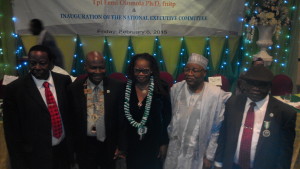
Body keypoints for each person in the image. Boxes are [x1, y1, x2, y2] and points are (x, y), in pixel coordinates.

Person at [3, 45, 72, 169]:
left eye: (42, 63)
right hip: (34, 156)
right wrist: (18, 163)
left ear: (51, 63)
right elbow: (12, 133)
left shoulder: (64, 81)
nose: (37, 67)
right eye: (32, 63)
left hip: (62, 152)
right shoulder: (15, 89)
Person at [214, 65, 296, 169]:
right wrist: (218, 162)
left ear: (270, 87)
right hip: (232, 165)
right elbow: (224, 135)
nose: (255, 89)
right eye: (251, 84)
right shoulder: (232, 103)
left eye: (261, 85)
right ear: (244, 84)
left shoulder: (284, 113)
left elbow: (285, 153)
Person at [164, 53, 231, 169]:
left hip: (197, 153)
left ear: (204, 73)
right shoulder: (176, 89)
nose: (190, 74)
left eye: (195, 70)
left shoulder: (215, 94)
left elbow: (216, 129)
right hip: (175, 149)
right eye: (187, 69)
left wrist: (209, 156)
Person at [68, 51, 127, 169]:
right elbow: (71, 120)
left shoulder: (117, 87)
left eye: (101, 67)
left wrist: (120, 145)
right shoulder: (74, 88)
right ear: (85, 67)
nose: (98, 72)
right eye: (93, 68)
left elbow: (122, 118)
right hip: (85, 145)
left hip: (109, 144)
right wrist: (72, 149)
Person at [124, 53, 172, 169]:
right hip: (131, 143)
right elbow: (121, 118)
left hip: (154, 143)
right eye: (137, 70)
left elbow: (167, 119)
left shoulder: (161, 88)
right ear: (132, 70)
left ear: (152, 70)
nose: (141, 74)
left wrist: (164, 143)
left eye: (145, 71)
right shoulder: (125, 88)